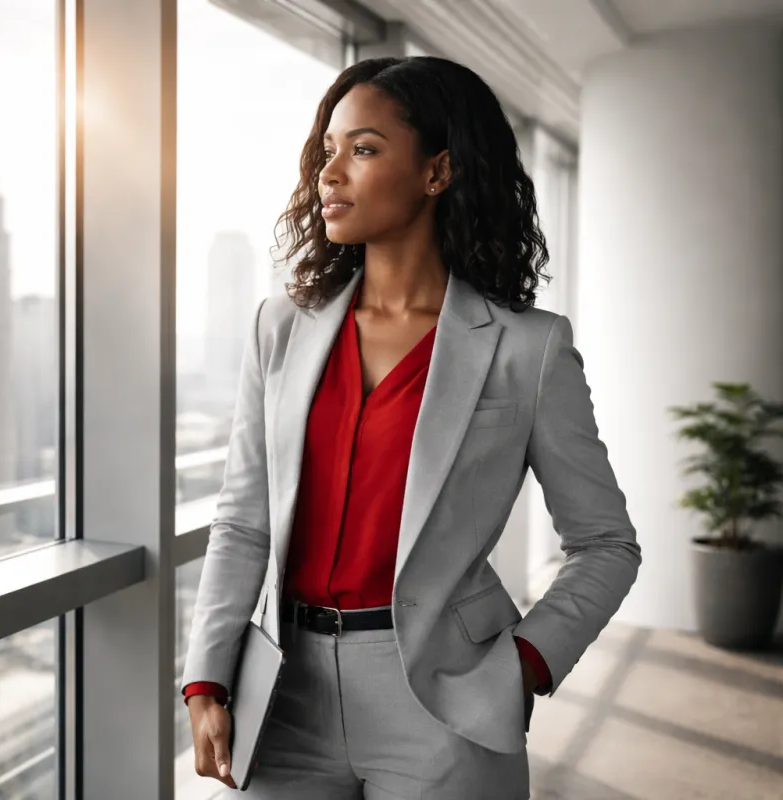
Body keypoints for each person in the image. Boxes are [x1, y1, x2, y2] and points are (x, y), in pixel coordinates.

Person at [181, 56, 641, 799]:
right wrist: (206, 676)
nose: (330, 174)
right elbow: (242, 520)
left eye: (363, 149)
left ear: (438, 171)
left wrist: (524, 666)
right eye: (327, 151)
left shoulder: (527, 348)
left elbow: (606, 543)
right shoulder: (280, 328)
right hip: (284, 692)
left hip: (444, 699)